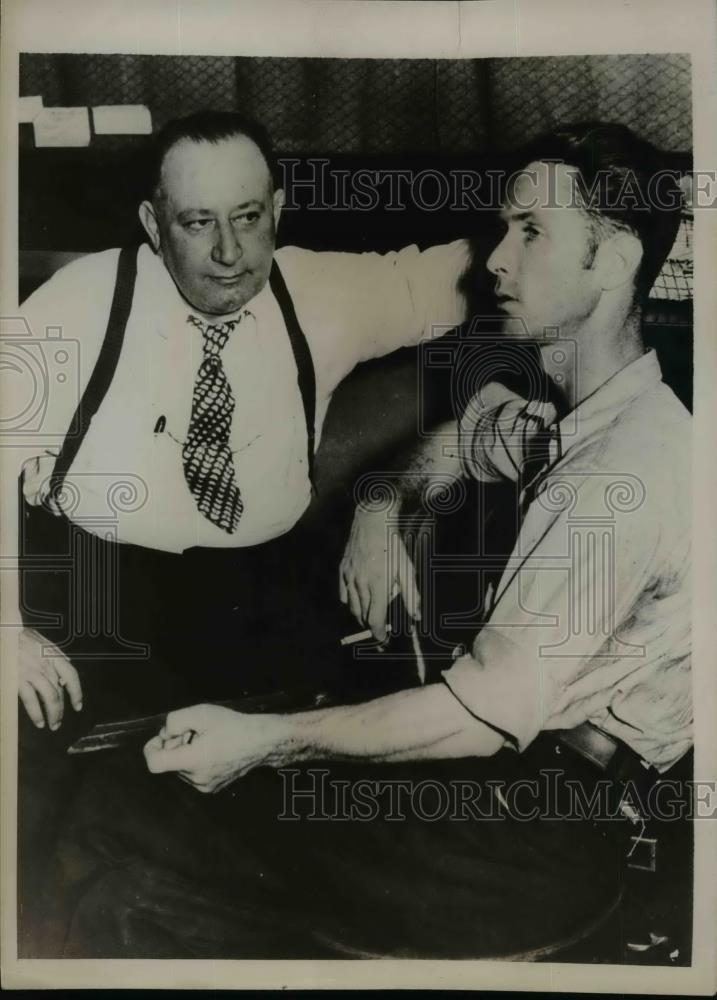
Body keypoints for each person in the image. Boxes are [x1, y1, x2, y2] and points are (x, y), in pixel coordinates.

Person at [48, 121, 692, 960]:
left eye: (531, 233)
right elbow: (467, 439)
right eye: (503, 228)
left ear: (610, 263)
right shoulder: (592, 421)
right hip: (513, 799)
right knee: (145, 822)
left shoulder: (624, 472)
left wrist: (264, 744)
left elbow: (477, 716)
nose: (495, 259)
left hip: (532, 835)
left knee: (126, 817)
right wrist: (382, 503)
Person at [15, 109, 477, 951]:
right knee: (51, 830)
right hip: (90, 598)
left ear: (279, 207)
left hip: (257, 603)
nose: (229, 253)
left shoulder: (320, 291)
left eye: (248, 217)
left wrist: (382, 504)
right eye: (197, 223)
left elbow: (484, 275)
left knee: (321, 831)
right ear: (155, 225)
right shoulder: (77, 306)